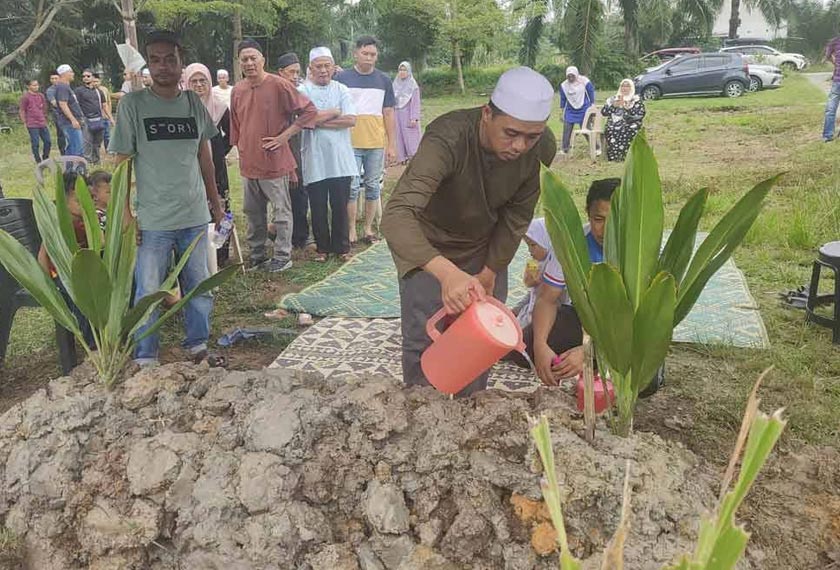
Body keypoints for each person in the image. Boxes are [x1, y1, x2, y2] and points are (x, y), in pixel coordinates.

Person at [381, 66, 557, 396]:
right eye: (511, 133)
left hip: (484, 246)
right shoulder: (447, 138)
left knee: (481, 337)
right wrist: (447, 274)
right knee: (425, 336)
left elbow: (517, 215)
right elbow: (397, 216)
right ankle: (423, 414)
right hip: (428, 246)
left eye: (531, 137)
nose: (520, 146)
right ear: (487, 114)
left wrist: (490, 270)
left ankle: (470, 412)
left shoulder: (540, 147)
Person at [109, 29, 226, 368]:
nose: (163, 67)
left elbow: (205, 157)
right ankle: (146, 358)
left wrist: (215, 205)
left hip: (193, 215)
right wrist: (128, 217)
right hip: (153, 221)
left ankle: (198, 347)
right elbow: (122, 164)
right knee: (148, 292)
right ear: (148, 65)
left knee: (199, 288)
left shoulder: (192, 103)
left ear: (180, 63)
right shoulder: (133, 105)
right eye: (155, 60)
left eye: (170, 59)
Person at [229, 38, 318, 272]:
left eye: (253, 58)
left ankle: (282, 255)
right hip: (249, 164)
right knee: (252, 213)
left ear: (262, 60)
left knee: (281, 212)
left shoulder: (279, 85)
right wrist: (242, 150)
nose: (249, 63)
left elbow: (309, 112)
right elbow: (236, 125)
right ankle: (257, 255)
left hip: (275, 162)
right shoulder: (237, 90)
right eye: (244, 59)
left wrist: (284, 136)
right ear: (239, 63)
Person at [523, 178, 618, 386]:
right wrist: (540, 346)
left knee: (646, 380)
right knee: (527, 343)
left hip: (623, 326)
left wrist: (589, 352)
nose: (605, 230)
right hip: (584, 318)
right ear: (588, 213)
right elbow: (547, 299)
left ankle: (597, 362)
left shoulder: (638, 250)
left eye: (615, 220)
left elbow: (636, 317)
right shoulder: (573, 242)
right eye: (598, 219)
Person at [335, 36, 397, 244]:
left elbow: (388, 113)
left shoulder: (384, 80)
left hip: (375, 143)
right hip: (349, 142)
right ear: (356, 53)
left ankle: (368, 229)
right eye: (365, 53)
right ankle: (351, 229)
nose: (369, 58)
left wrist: (392, 145)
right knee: (351, 187)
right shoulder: (343, 79)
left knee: (372, 186)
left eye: (373, 55)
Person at [299, 47, 358, 261]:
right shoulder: (303, 90)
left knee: (339, 204)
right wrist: (333, 112)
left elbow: (351, 120)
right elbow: (304, 121)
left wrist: (318, 120)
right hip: (315, 158)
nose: (323, 70)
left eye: (327, 66)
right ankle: (322, 248)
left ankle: (342, 248)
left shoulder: (342, 89)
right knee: (317, 206)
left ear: (333, 67)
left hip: (340, 159)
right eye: (318, 66)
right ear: (310, 69)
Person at [185, 62, 233, 264]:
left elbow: (231, 136)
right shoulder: (180, 108)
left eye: (202, 80)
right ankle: (197, 255)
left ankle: (220, 253)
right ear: (186, 83)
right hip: (188, 167)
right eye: (193, 81)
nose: (198, 85)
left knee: (221, 205)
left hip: (216, 166)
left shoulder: (220, 106)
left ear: (209, 81)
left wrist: (218, 151)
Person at [277, 52, 310, 251]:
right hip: (282, 148)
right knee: (284, 195)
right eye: (291, 72)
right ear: (281, 72)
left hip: (298, 148)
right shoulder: (277, 93)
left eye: (298, 72)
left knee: (299, 192)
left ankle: (300, 235)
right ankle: (286, 236)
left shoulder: (299, 93)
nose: (295, 76)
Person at [513, 218, 551, 329]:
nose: (530, 251)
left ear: (545, 240)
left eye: (533, 245)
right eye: (528, 246)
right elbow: (531, 294)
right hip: (528, 315)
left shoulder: (555, 269)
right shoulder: (536, 263)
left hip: (543, 322)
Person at [559, 66, 595, 154]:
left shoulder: (584, 81)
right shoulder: (564, 85)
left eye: (572, 76)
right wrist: (561, 112)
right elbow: (563, 99)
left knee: (586, 129)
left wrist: (592, 105)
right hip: (570, 110)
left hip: (584, 108)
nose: (571, 78)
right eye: (569, 76)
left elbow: (591, 92)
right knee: (567, 129)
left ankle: (595, 147)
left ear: (576, 74)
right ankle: (565, 149)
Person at [54, 64, 85, 160]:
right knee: (77, 148)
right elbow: (63, 104)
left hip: (72, 121)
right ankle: (75, 171)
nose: (73, 74)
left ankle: (68, 169)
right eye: (70, 71)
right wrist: (73, 119)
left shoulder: (66, 87)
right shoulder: (62, 87)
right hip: (69, 123)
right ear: (64, 74)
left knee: (72, 147)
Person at [393, 61, 421, 163]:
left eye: (404, 70)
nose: (402, 72)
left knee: (410, 135)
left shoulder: (413, 86)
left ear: (409, 71)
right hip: (397, 113)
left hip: (408, 114)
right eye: (400, 70)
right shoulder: (395, 84)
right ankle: (402, 157)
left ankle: (413, 156)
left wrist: (414, 117)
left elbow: (416, 103)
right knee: (398, 135)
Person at [19, 79, 51, 163]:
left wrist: (45, 118)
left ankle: (45, 157)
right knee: (35, 143)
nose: (36, 87)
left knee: (48, 141)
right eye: (33, 85)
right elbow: (22, 110)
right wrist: (24, 122)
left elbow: (44, 108)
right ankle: (38, 161)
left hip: (42, 122)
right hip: (32, 124)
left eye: (37, 85)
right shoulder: (25, 97)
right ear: (28, 86)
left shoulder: (41, 96)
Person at [91, 74, 115, 152]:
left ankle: (108, 149)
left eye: (97, 81)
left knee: (107, 134)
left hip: (105, 116)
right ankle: (96, 150)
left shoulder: (104, 90)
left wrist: (109, 114)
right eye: (94, 81)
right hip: (96, 116)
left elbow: (108, 102)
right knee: (98, 135)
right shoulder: (90, 91)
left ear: (100, 81)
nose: (95, 83)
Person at [824, 33, 840, 141]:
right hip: (837, 81)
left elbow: (827, 57)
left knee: (830, 109)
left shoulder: (834, 41)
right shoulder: (834, 41)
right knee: (831, 109)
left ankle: (828, 136)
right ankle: (828, 135)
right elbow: (827, 56)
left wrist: (835, 64)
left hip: (837, 81)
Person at [46, 73, 67, 155]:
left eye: (56, 78)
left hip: (68, 114)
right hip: (58, 115)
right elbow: (54, 103)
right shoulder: (50, 90)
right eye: (52, 78)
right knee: (61, 134)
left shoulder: (64, 87)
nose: (54, 80)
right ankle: (63, 152)